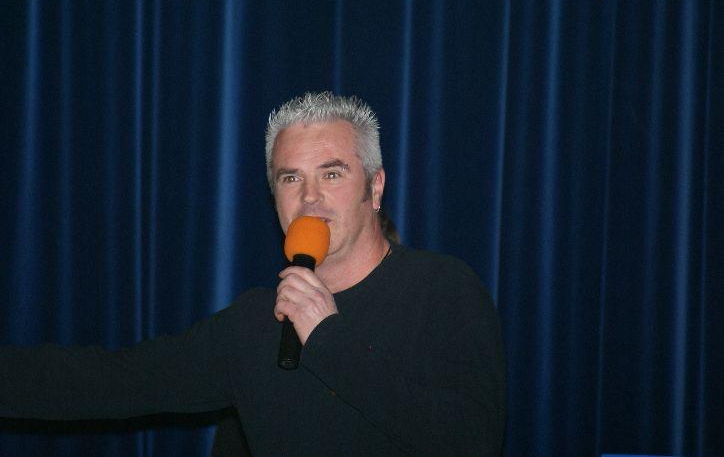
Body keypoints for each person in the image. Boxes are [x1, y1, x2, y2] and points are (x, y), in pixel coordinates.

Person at [1, 92, 506, 455]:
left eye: (331, 174)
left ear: (374, 188)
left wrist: (328, 338)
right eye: (291, 178)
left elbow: (471, 440)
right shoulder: (255, 322)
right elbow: (114, 381)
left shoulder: (442, 289)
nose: (310, 197)